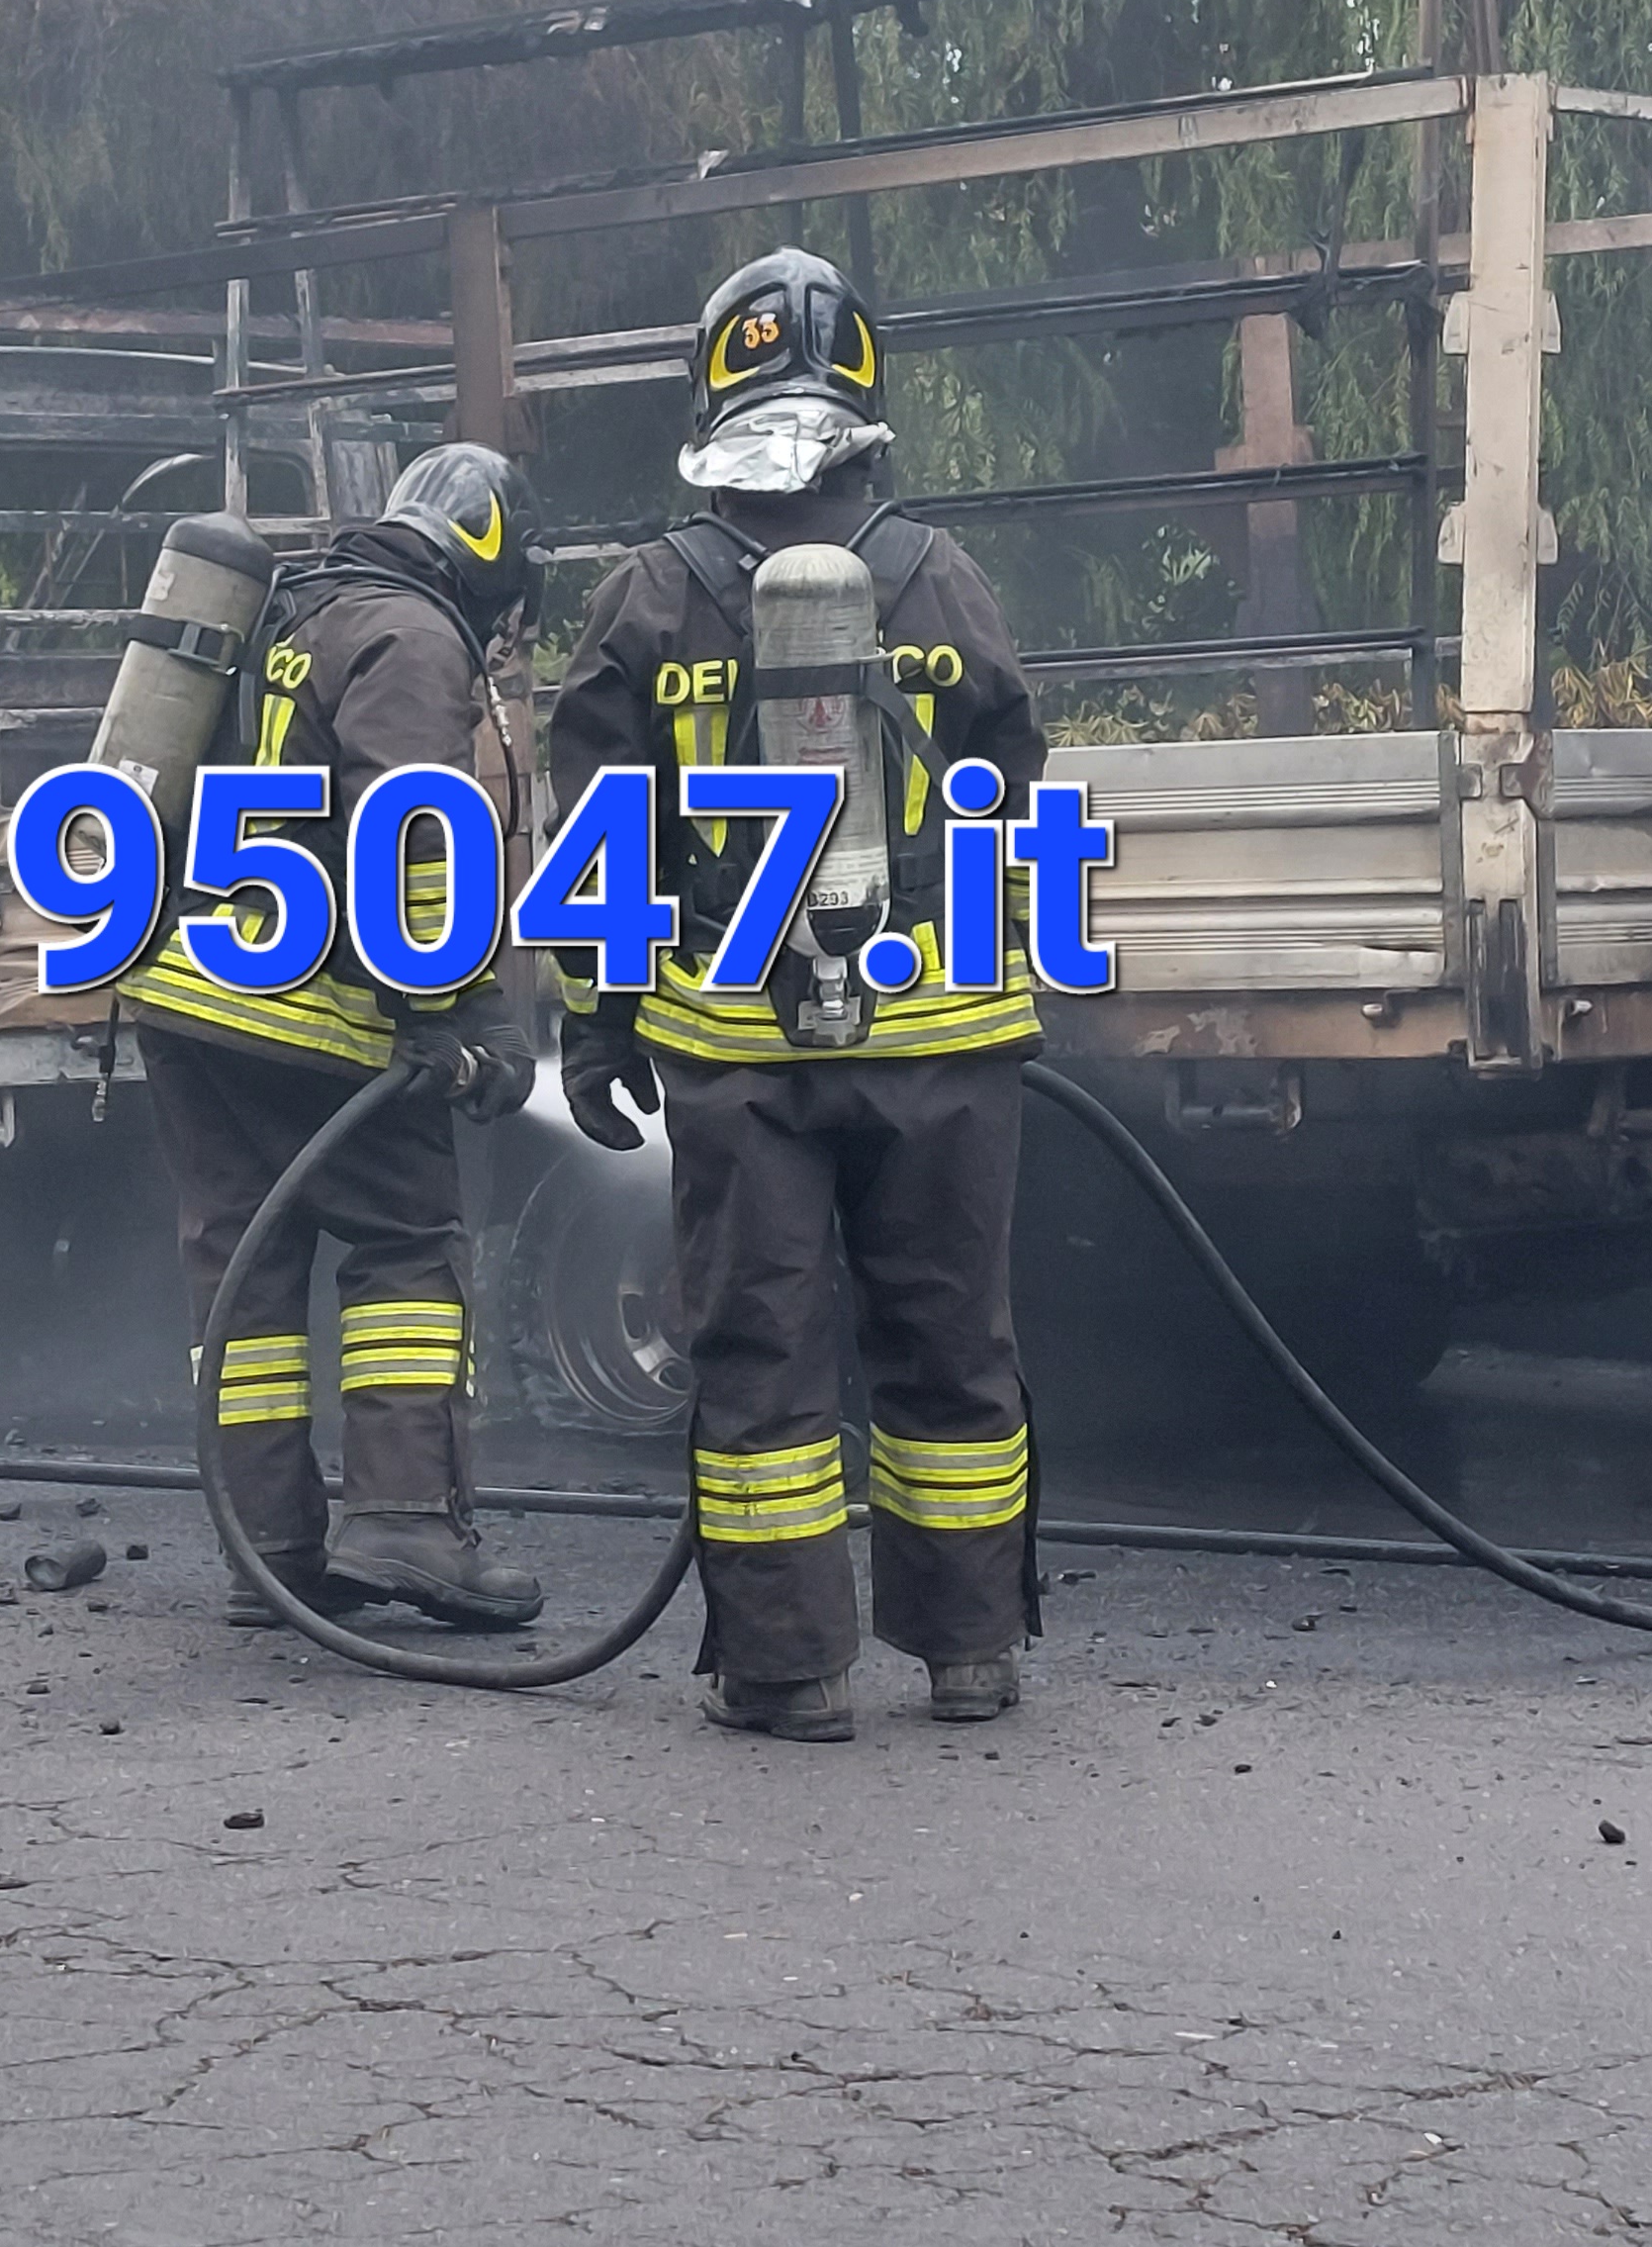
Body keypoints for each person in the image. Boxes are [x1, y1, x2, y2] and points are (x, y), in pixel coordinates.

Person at [543, 248, 1048, 1738]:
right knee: (951, 1331)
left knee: (761, 1347)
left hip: (738, 1043)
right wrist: (1010, 978)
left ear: (715, 394)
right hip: (943, 1036)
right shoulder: (941, 572)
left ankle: (789, 1672)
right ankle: (969, 1654)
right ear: (869, 401)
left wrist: (595, 1020)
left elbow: (596, 839)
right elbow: (1015, 785)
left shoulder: (652, 592)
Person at [122, 441, 544, 1629]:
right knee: (406, 1244)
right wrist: (452, 1012)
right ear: (487, 563)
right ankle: (408, 1527)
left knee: (243, 1266)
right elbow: (412, 828)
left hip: (185, 994)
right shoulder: (411, 636)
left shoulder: (278, 614)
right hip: (318, 1012)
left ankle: (270, 1554)